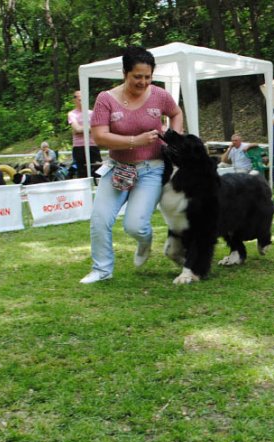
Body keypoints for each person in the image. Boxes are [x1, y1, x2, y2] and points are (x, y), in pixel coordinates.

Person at [80, 45, 184, 284]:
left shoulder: (160, 95)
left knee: (135, 225)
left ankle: (144, 241)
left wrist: (174, 139)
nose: (143, 82)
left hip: (152, 168)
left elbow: (176, 113)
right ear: (125, 73)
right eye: (137, 76)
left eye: (148, 77)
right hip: (119, 168)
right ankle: (102, 270)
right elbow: (99, 136)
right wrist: (133, 141)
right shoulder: (106, 99)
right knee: (100, 219)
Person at [68, 90, 102, 178]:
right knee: (82, 173)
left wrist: (82, 129)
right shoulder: (72, 114)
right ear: (74, 100)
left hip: (93, 145)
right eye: (79, 99)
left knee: (98, 170)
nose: (82, 101)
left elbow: (99, 128)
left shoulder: (92, 113)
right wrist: (91, 128)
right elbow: (77, 129)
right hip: (79, 147)